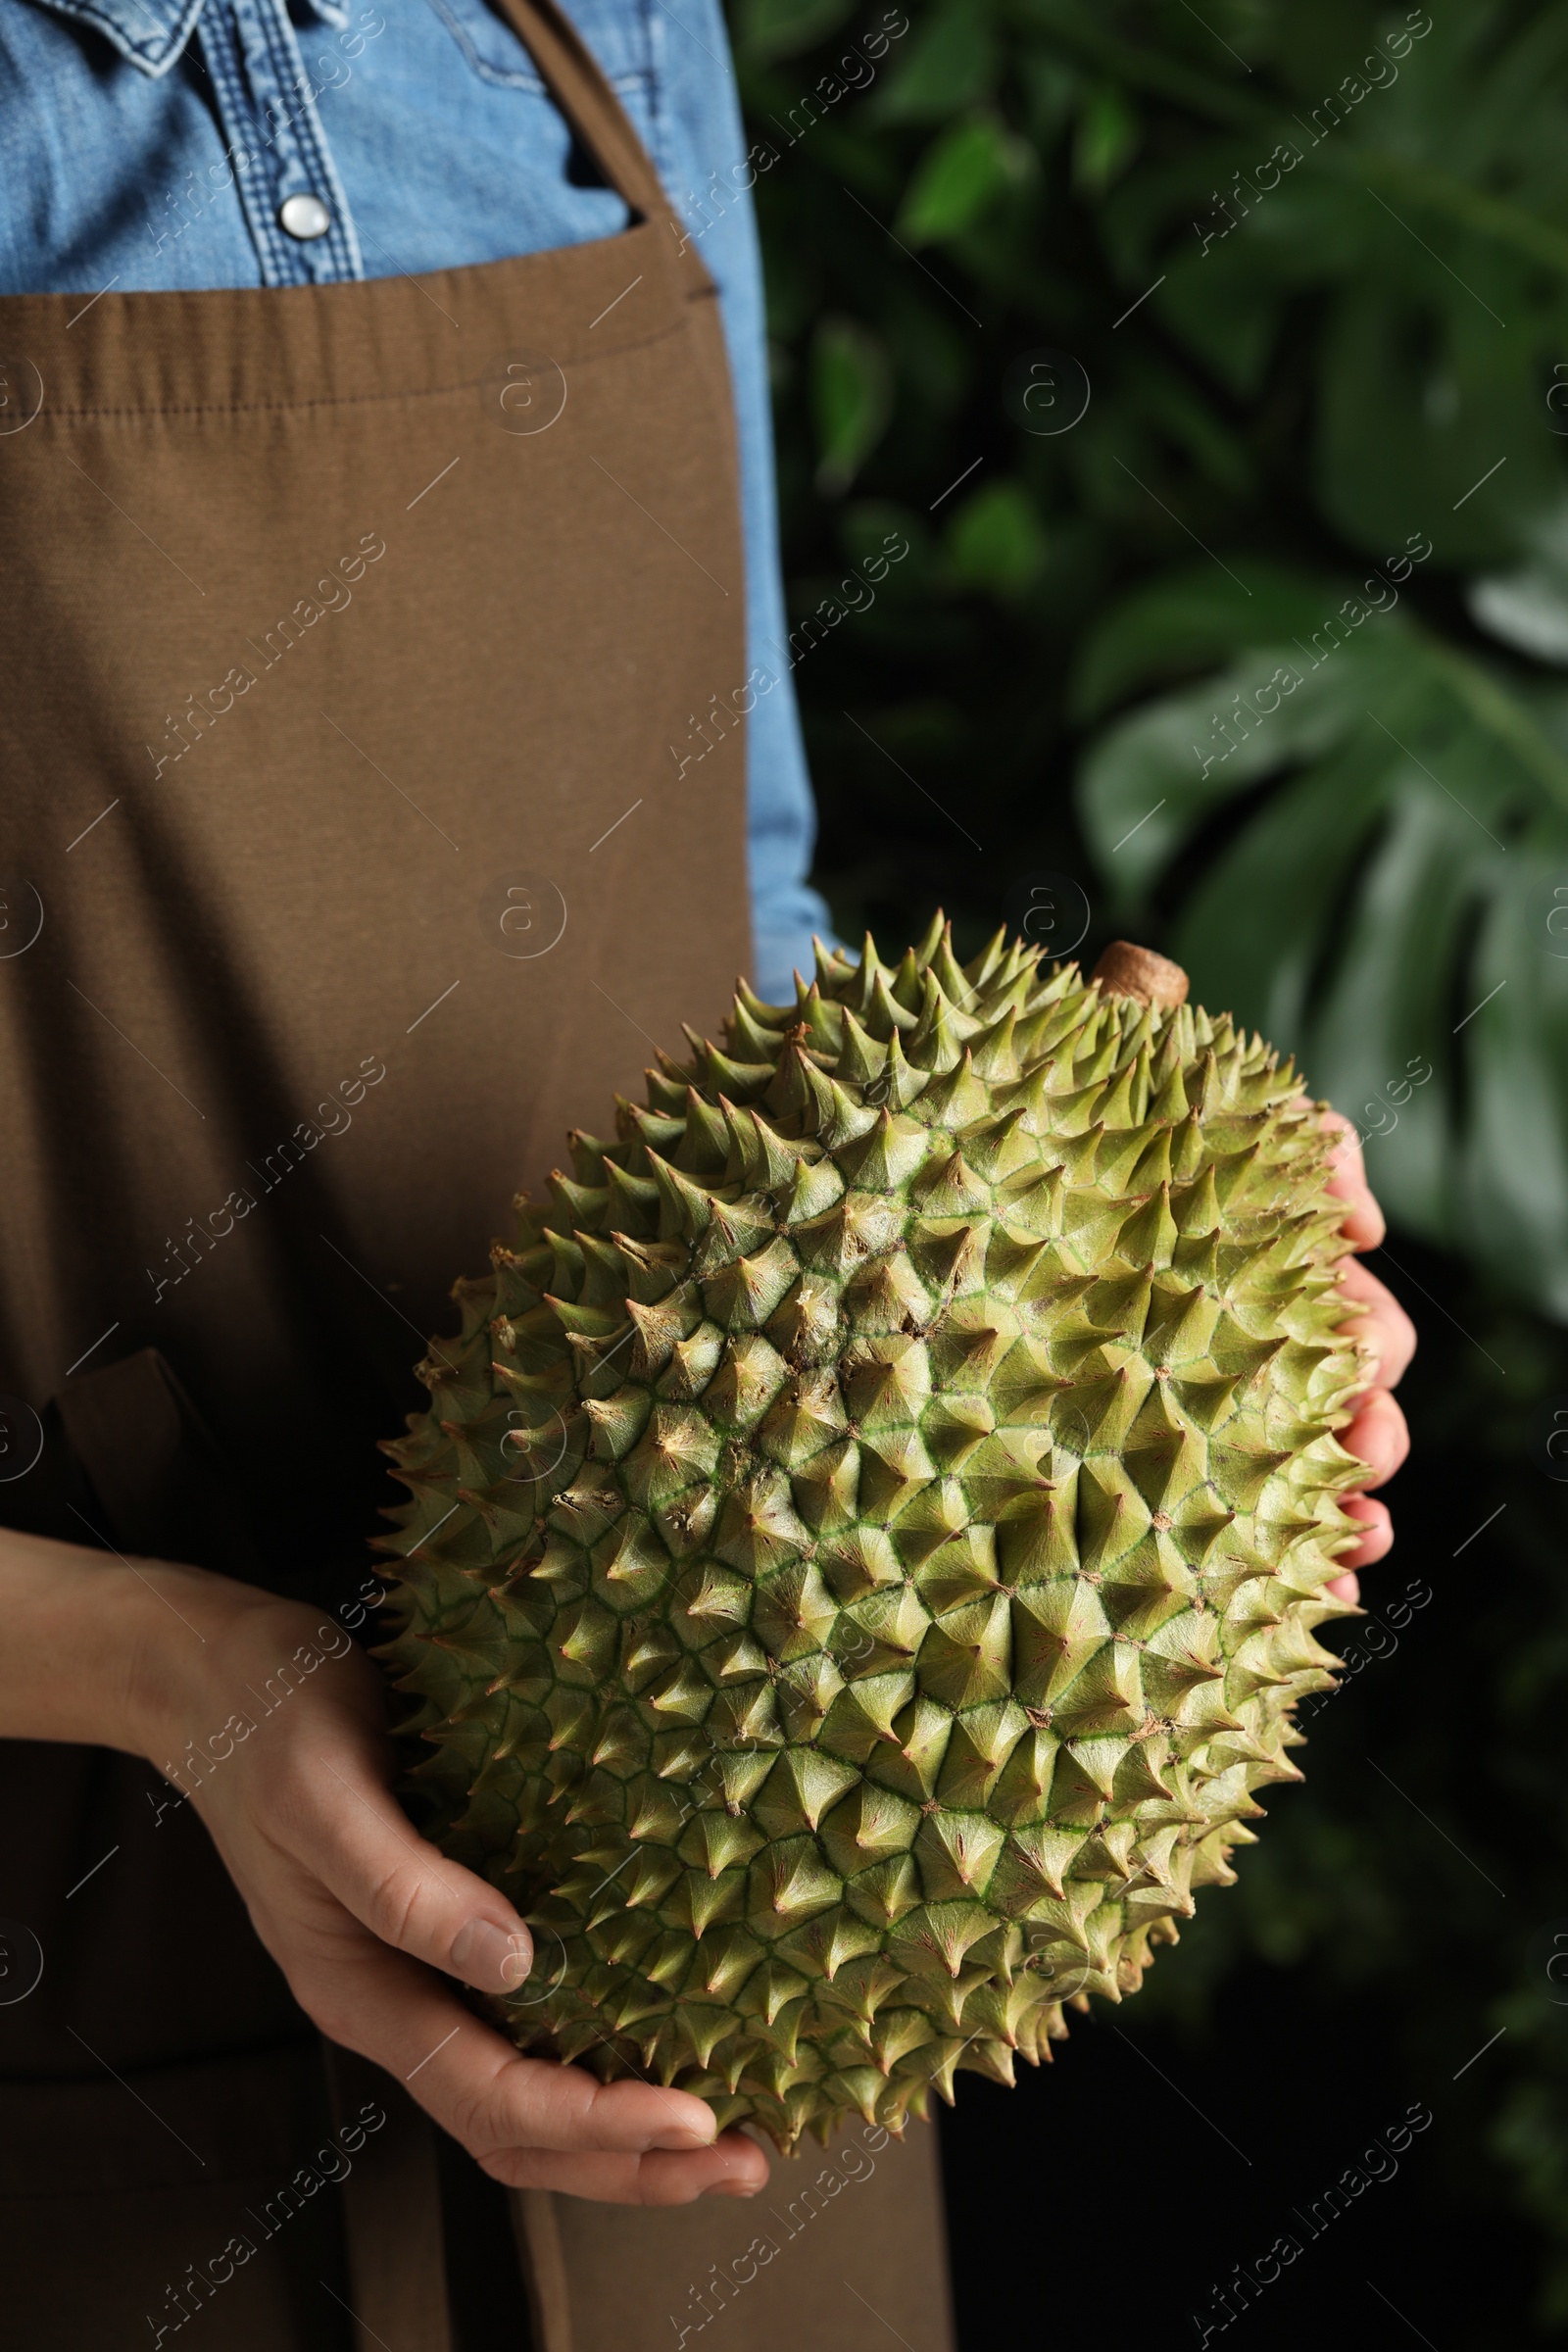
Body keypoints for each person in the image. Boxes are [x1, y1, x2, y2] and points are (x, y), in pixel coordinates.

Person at [0, 3, 1415, 2346]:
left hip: (732, 2054)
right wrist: (171, 1674)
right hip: (82, 1988)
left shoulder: (594, 26)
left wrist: (1139, 1217)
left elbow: (715, 899)